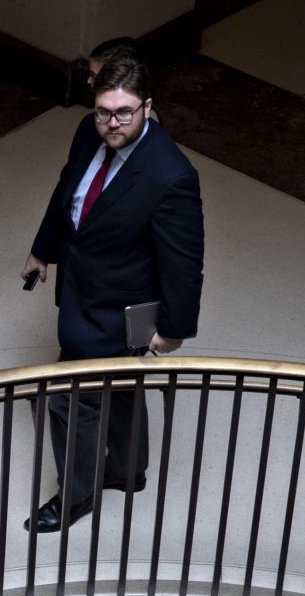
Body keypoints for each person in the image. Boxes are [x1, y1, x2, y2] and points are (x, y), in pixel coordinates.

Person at [20, 57, 203, 533]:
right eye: (104, 111)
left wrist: (175, 330)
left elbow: (183, 261)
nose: (113, 123)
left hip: (118, 308)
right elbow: (70, 191)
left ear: (147, 106)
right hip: (83, 286)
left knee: (65, 399)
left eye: (124, 112)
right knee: (121, 388)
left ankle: (77, 496)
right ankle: (127, 470)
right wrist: (43, 250)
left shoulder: (170, 175)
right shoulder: (89, 131)